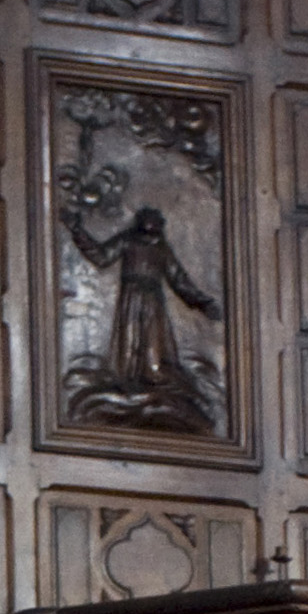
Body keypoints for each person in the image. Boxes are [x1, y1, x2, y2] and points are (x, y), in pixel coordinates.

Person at [61, 178, 222, 432]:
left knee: (154, 342)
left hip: (152, 298)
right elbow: (101, 256)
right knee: (130, 338)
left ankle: (151, 377)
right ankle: (128, 379)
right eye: (149, 219)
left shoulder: (160, 248)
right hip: (132, 295)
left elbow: (178, 279)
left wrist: (203, 303)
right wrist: (77, 231)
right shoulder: (129, 240)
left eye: (156, 221)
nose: (152, 225)